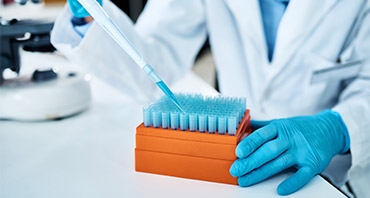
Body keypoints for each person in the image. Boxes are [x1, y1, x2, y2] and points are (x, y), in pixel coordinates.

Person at [50, 0, 370, 197]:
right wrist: (90, 19)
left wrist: (340, 129)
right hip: (231, 171)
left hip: (335, 176)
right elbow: (154, 57)